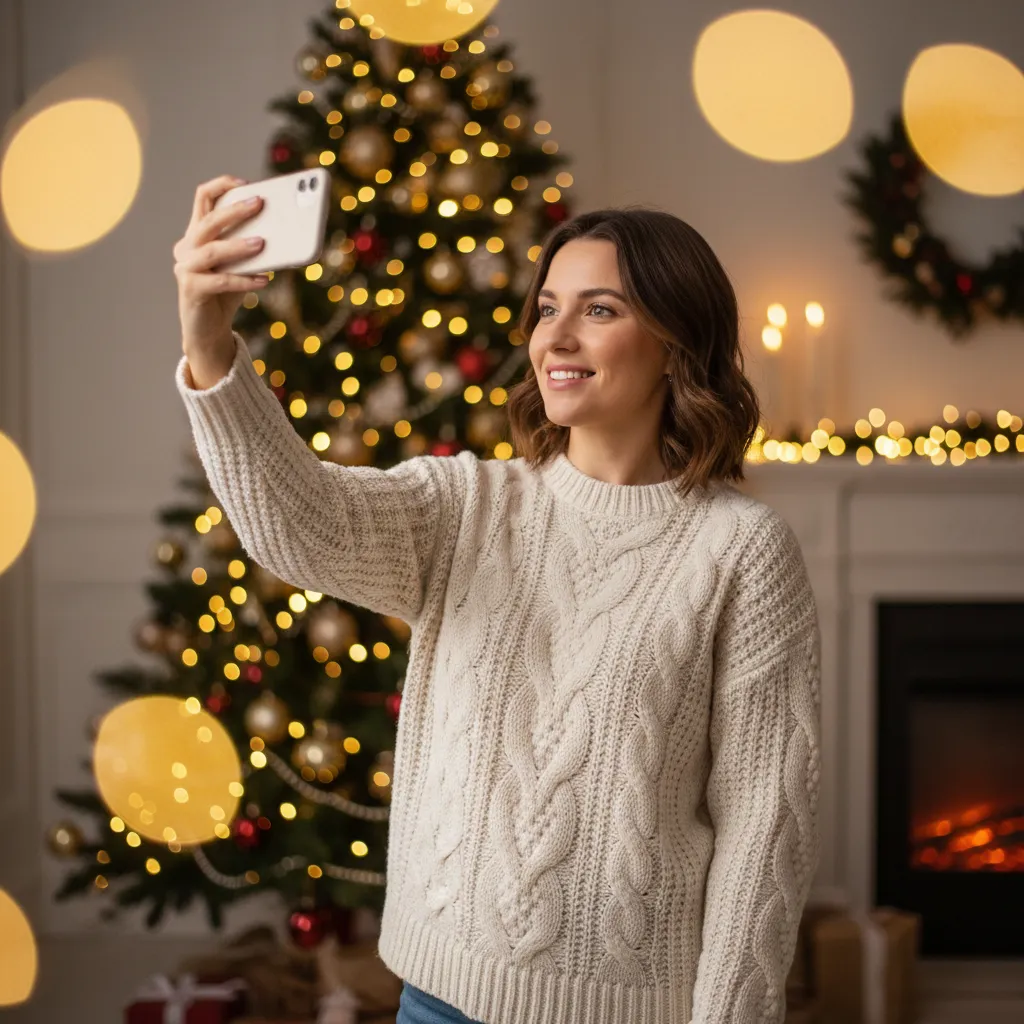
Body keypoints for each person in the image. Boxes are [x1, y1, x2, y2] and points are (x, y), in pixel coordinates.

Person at [173, 175, 821, 1024]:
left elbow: (764, 828)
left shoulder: (741, 552)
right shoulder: (468, 508)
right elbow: (299, 524)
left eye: (598, 310)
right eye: (546, 307)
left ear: (675, 341)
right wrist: (209, 342)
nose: (555, 335)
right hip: (439, 1001)